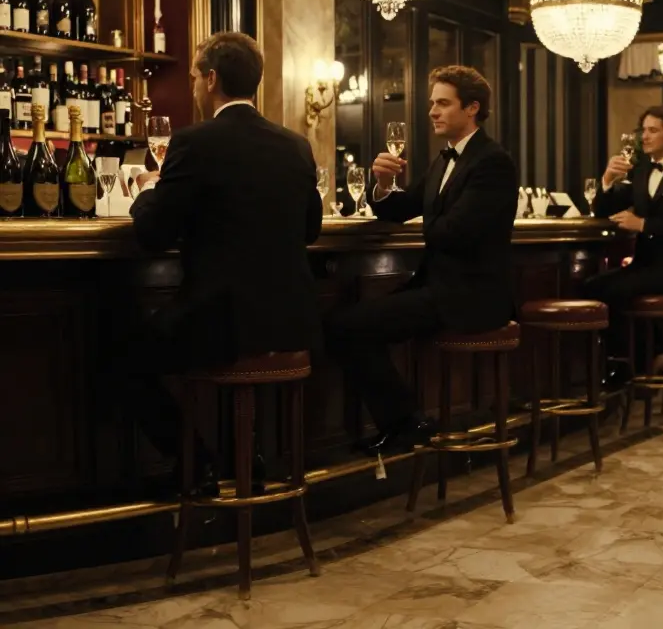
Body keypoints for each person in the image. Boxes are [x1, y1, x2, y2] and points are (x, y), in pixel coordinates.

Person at [126, 31, 323, 493]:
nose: (193, 86)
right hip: (293, 323)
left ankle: (197, 463)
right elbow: (310, 230)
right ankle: (244, 455)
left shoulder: (194, 142)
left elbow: (152, 233)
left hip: (223, 323)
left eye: (195, 76)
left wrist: (146, 191)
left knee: (123, 357)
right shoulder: (296, 145)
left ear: (211, 78)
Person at [326, 65, 517, 456]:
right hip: (440, 287)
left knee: (348, 327)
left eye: (443, 103)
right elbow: (399, 209)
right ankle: (406, 420)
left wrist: (431, 221)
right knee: (346, 323)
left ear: (473, 108)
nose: (432, 111)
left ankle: (406, 422)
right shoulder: (443, 161)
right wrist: (381, 185)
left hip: (472, 295)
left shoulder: (493, 162)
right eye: (432, 103)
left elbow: (456, 232)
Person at [584, 105, 663, 362]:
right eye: (644, 130)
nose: (645, 137)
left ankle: (634, 363)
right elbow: (603, 210)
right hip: (646, 266)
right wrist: (608, 179)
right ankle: (644, 355)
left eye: (653, 130)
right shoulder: (641, 170)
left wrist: (643, 225)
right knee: (591, 287)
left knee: (613, 291)